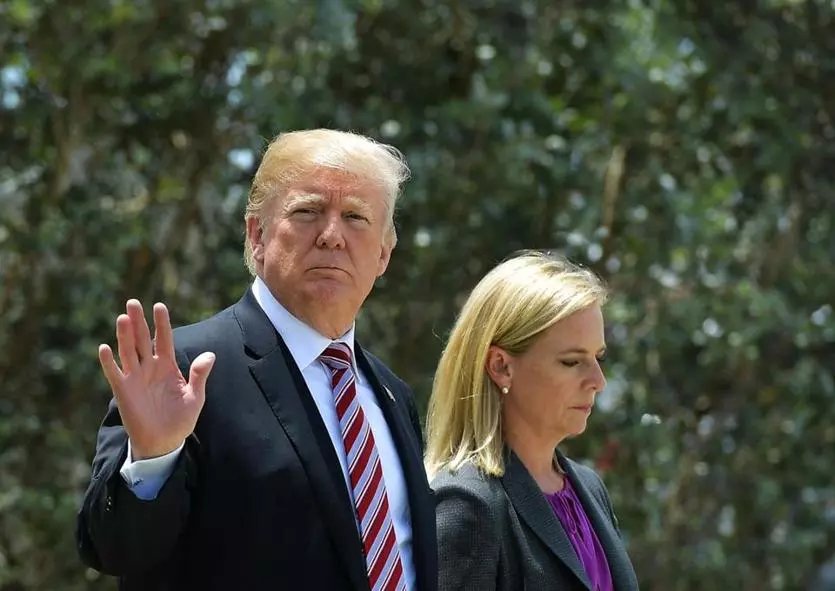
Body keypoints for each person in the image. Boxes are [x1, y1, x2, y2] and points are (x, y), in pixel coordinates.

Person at [76, 129, 437, 591]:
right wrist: (153, 459)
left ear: (384, 253)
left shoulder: (391, 393)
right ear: (257, 234)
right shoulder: (184, 371)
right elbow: (114, 550)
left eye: (355, 216)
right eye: (307, 212)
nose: (332, 236)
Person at [424, 251, 639, 591]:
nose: (598, 381)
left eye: (598, 357)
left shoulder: (589, 488)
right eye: (572, 362)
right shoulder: (468, 504)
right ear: (501, 366)